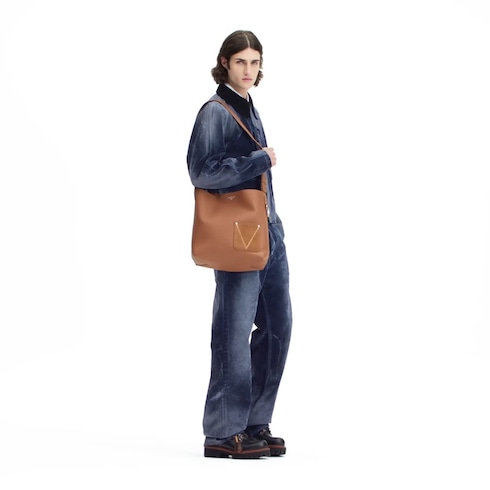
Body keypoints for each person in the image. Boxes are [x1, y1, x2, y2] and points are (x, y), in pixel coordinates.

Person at [186, 30, 293, 459]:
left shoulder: (249, 105)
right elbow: (201, 171)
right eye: (241, 62)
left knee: (278, 327)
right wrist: (257, 160)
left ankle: (253, 422)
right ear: (225, 64)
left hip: (268, 229)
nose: (249, 70)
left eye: (254, 62)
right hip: (238, 235)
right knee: (232, 331)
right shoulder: (215, 111)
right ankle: (222, 431)